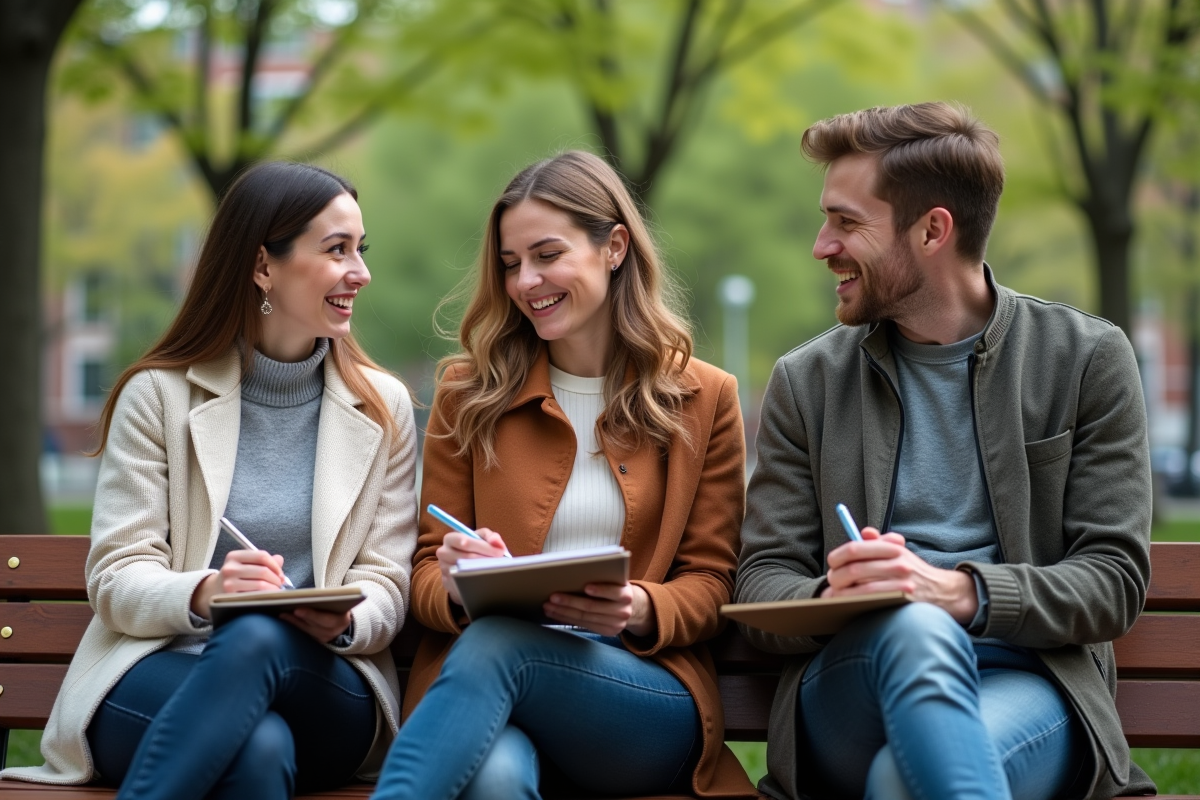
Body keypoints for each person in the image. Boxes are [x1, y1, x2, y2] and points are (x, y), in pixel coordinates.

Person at [735, 102, 1154, 800]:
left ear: (932, 230)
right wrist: (840, 595)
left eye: (846, 222)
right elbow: (762, 580)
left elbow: (1112, 579)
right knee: (910, 631)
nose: (820, 246)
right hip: (851, 685)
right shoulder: (806, 381)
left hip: (1027, 683)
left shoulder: (1084, 359)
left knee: (903, 781)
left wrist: (956, 592)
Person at [0, 162, 419, 799]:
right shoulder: (158, 399)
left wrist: (338, 620)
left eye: (361, 249)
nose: (360, 272)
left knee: (257, 636)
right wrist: (208, 592)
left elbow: (387, 580)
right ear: (262, 267)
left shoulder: (383, 407)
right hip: (160, 668)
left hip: (325, 681)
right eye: (337, 250)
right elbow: (116, 575)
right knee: (258, 749)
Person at [371, 150, 757, 800]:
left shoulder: (703, 398)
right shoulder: (468, 395)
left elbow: (713, 581)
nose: (526, 281)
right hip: (493, 697)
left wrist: (639, 605)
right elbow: (427, 570)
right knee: (493, 779)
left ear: (614, 247)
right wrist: (463, 583)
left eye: (547, 255)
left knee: (503, 644)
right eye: (511, 263)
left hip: (638, 697)